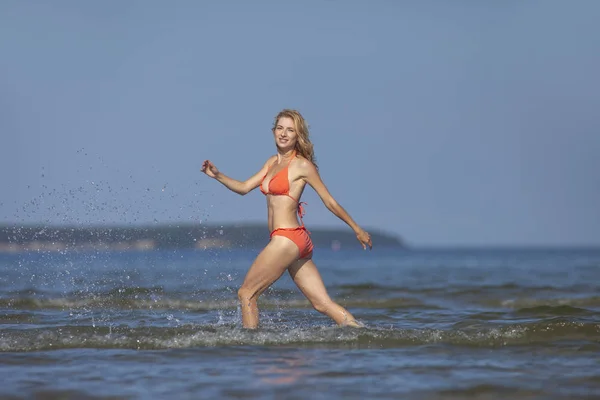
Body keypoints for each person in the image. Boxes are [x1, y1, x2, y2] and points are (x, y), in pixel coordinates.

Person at [201, 109, 372, 329]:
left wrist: (356, 228)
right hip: (294, 242)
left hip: (287, 239)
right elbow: (244, 188)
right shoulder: (272, 163)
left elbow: (329, 201)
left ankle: (250, 348)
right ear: (273, 131)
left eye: (290, 130)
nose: (283, 133)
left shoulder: (302, 165)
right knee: (322, 303)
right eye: (280, 128)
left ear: (298, 136)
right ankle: (364, 334)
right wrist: (218, 175)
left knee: (246, 294)